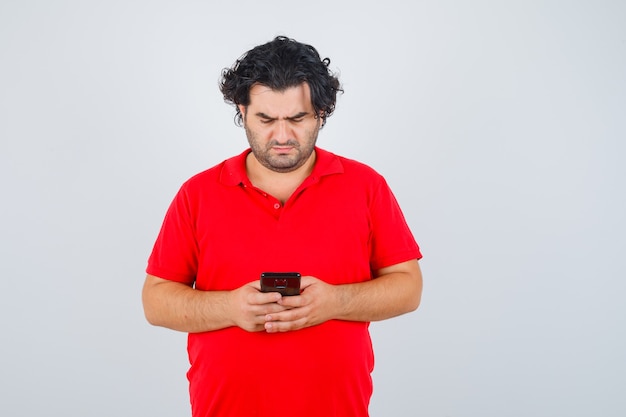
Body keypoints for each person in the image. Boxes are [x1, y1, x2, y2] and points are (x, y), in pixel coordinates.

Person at [142, 35, 423, 417]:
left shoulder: (366, 186)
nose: (282, 136)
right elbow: (156, 301)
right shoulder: (197, 194)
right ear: (242, 110)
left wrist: (334, 302)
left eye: (297, 118)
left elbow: (408, 287)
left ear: (321, 112)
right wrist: (230, 307)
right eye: (266, 119)